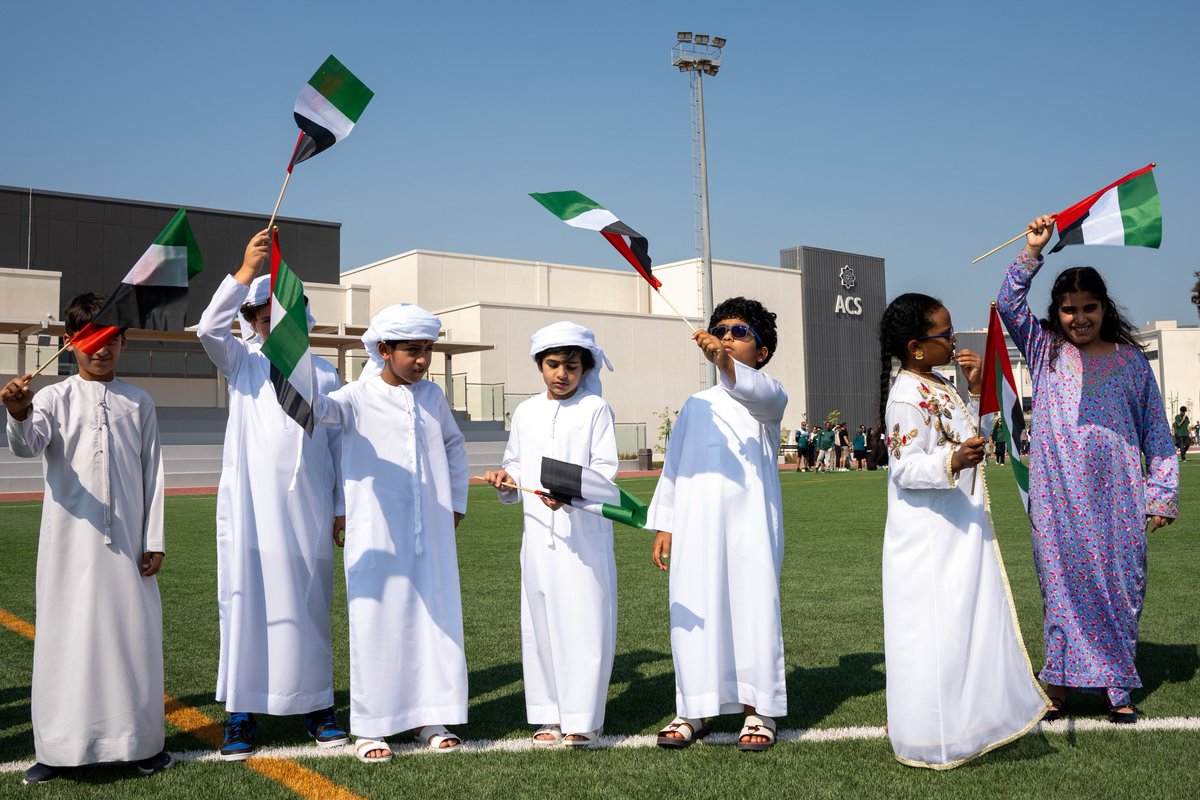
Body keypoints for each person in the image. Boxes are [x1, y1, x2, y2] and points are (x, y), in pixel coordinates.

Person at [998, 215, 1178, 724]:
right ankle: (1057, 688)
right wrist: (1033, 250)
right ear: (1055, 312)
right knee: (1060, 590)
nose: (1079, 318)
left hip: (1118, 498)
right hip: (1056, 500)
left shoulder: (1131, 362)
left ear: (1105, 308)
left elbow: (1157, 436)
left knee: (1120, 585)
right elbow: (1010, 304)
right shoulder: (1045, 351)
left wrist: (1160, 494)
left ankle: (1117, 688)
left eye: (1089, 308)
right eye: (1069, 309)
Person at [3, 294, 170, 785]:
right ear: (71, 342)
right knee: (65, 639)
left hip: (128, 546)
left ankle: (141, 744)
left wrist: (153, 538)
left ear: (122, 341)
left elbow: (153, 474)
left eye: (112, 339)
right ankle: (57, 748)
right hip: (68, 546)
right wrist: (17, 411)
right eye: (92, 340)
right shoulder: (52, 398)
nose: (103, 350)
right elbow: (27, 444)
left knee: (131, 639)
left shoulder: (139, 401)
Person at [878, 292, 1048, 769]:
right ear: (916, 346)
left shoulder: (938, 383)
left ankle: (963, 719)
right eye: (944, 334)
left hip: (956, 524)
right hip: (929, 535)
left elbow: (968, 433)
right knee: (934, 631)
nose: (953, 341)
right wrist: (951, 460)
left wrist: (973, 388)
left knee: (959, 626)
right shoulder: (907, 395)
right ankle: (928, 733)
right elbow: (905, 468)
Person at [197, 231, 348, 760]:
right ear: (251, 317)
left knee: (308, 603)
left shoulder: (325, 372)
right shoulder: (242, 362)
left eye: (278, 310)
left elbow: (335, 447)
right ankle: (240, 714)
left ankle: (316, 706)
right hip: (249, 511)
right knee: (244, 604)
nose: (268, 319)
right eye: (260, 312)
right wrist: (243, 272)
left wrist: (338, 507)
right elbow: (208, 327)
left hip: (307, 507)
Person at [310, 304, 469, 762]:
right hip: (376, 531)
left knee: (432, 617)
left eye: (427, 350)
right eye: (412, 351)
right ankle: (371, 727)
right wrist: (292, 360)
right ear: (383, 351)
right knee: (377, 623)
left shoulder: (433, 397)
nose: (422, 360)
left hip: (431, 532)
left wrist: (454, 505)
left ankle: (429, 717)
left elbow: (454, 447)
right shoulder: (353, 397)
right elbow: (316, 411)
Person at [648, 297, 788, 752]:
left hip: (751, 528)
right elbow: (675, 467)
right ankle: (694, 709)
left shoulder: (768, 396)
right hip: (696, 528)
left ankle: (757, 711)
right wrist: (666, 523)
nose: (728, 337)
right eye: (722, 330)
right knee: (694, 612)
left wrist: (726, 365)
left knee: (752, 610)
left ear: (761, 351)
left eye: (740, 332)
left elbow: (759, 394)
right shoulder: (695, 405)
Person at [483, 322, 617, 748]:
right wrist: (507, 479)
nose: (562, 374)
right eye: (553, 364)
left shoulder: (596, 409)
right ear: (540, 366)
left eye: (571, 366)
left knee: (584, 623)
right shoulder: (526, 412)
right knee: (539, 623)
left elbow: (605, 470)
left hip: (584, 540)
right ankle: (548, 714)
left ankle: (584, 718)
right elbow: (518, 463)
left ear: (585, 369)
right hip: (538, 537)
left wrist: (571, 495)